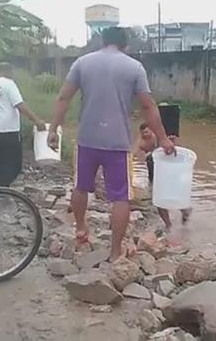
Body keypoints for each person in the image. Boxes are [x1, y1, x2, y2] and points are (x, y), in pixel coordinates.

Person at [47, 27, 175, 261]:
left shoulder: (82, 63)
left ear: (103, 42)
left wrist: (53, 129)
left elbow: (64, 97)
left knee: (80, 186)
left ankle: (81, 227)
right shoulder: (134, 67)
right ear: (125, 45)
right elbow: (148, 106)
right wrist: (164, 138)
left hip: (87, 139)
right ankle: (115, 252)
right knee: (120, 197)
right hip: (117, 143)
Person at [0, 62, 46, 187]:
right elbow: (20, 105)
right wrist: (36, 120)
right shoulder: (9, 84)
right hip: (9, 130)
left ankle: (0, 185)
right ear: (9, 73)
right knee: (14, 163)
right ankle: (6, 188)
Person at [134, 122, 191, 231]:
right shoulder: (141, 141)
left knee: (172, 193)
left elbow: (176, 150)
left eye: (147, 132)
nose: (145, 135)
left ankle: (185, 210)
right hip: (153, 171)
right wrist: (141, 155)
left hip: (166, 170)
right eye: (143, 133)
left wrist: (173, 142)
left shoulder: (160, 137)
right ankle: (168, 225)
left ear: (151, 130)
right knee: (158, 200)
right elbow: (135, 154)